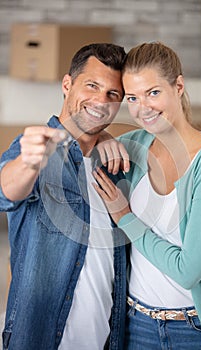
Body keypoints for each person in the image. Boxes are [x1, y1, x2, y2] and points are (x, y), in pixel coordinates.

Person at [93, 42, 201, 349]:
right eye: (132, 97)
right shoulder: (132, 145)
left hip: (195, 330)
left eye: (153, 92)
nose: (143, 108)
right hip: (135, 325)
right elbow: (79, 165)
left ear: (178, 86)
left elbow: (188, 271)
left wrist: (125, 217)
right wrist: (102, 135)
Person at [0, 43, 129, 350]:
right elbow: (6, 190)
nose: (101, 101)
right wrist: (30, 163)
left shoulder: (113, 167)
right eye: (92, 86)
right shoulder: (37, 150)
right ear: (67, 84)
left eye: (113, 94)